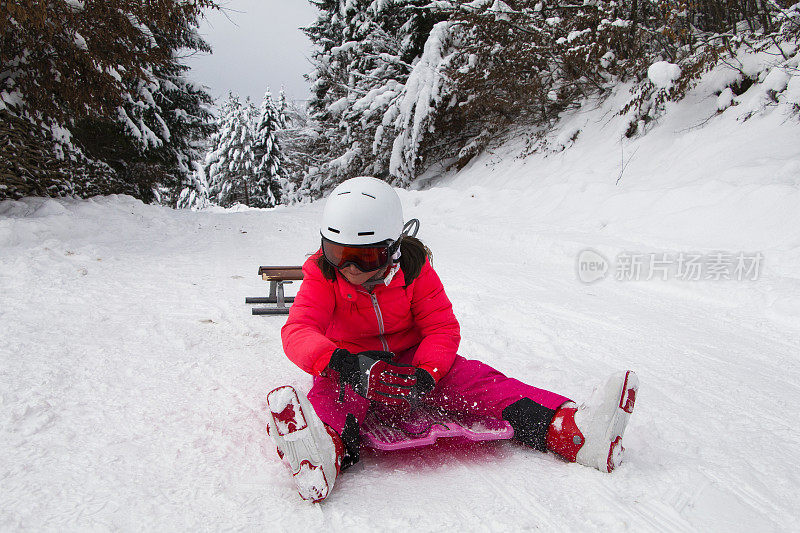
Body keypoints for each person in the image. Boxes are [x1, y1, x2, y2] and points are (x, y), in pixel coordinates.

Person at [266, 176, 638, 503]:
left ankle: (570, 431)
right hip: (354, 365)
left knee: (478, 381)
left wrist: (427, 372)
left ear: (393, 249)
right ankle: (322, 452)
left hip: (413, 360)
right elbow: (298, 330)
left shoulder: (414, 271)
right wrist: (342, 364)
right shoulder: (323, 276)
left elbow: (441, 327)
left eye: (364, 258)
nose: (349, 270)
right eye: (338, 255)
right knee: (335, 395)